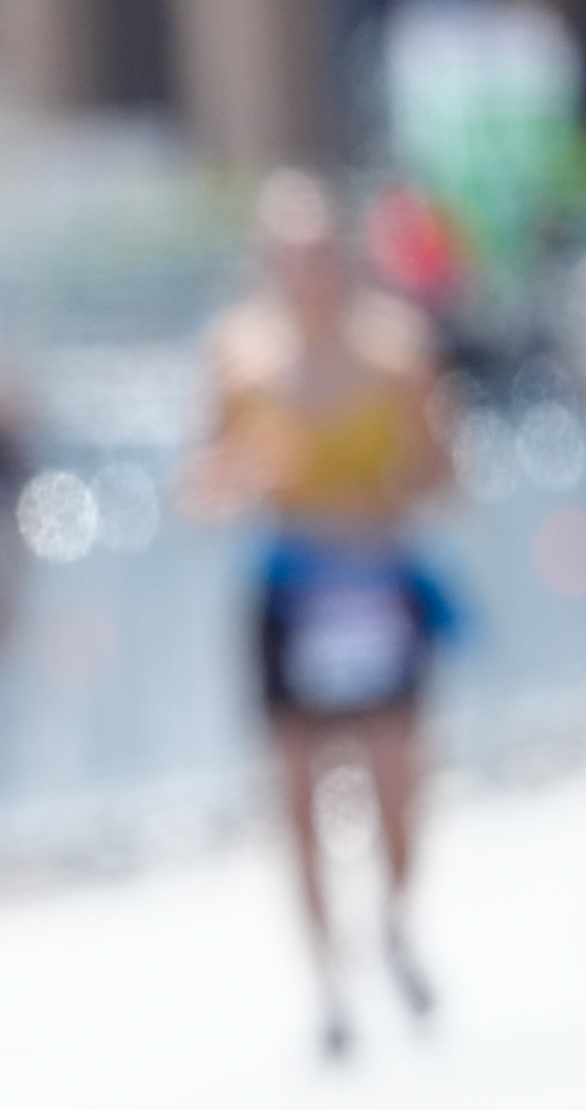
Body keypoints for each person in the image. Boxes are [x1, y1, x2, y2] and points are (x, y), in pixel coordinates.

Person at [186, 171, 453, 1060]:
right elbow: (202, 484)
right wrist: (242, 475)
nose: (306, 269)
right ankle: (329, 982)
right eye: (287, 254)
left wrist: (392, 483)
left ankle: (395, 921)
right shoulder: (236, 355)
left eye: (319, 251)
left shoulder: (395, 349)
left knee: (396, 777)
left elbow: (447, 469)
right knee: (298, 793)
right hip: (292, 587)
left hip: (376, 577)